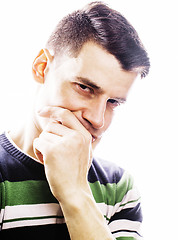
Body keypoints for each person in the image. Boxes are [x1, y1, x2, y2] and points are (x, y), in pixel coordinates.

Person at [0, 1, 150, 239]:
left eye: (113, 102)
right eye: (84, 87)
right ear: (41, 68)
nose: (97, 120)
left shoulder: (119, 188)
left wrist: (76, 193)